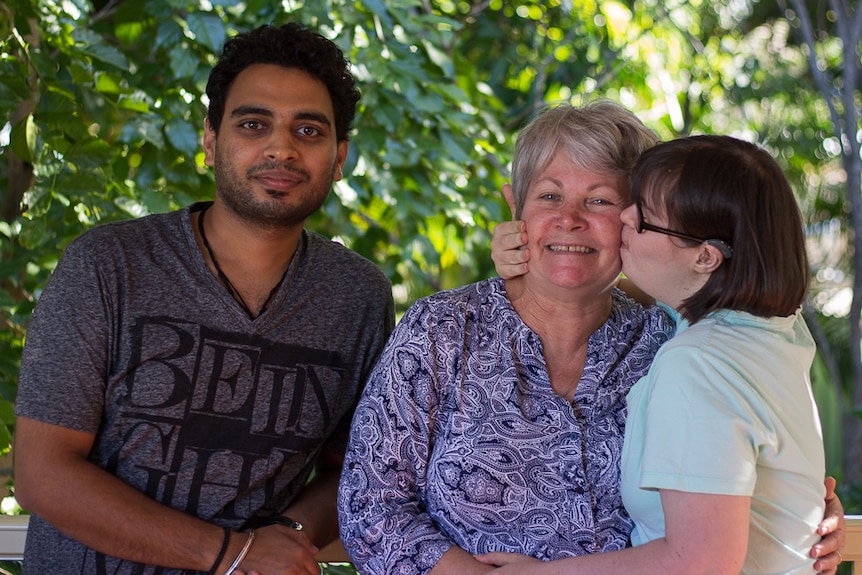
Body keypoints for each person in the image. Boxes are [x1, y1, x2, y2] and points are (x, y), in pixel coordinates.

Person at [337, 102, 846, 575]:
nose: (569, 219)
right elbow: (372, 507)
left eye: (600, 200)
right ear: (516, 207)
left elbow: (727, 493)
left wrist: (797, 514)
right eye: (549, 196)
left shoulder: (671, 340)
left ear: (634, 221)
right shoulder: (442, 330)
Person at [13, 22, 394, 575]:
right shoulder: (109, 265)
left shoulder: (359, 297)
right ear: (211, 141)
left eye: (309, 130)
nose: (281, 148)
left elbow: (353, 467)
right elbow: (42, 474)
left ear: (339, 158)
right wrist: (231, 555)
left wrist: (288, 536)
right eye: (253, 123)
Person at [476, 134, 832, 574]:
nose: (623, 215)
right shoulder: (774, 330)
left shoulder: (697, 363)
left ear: (706, 258)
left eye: (642, 217)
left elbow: (702, 561)